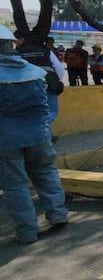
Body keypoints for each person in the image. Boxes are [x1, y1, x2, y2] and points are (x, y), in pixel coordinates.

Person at [0, 25, 69, 244]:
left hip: (7, 139)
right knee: (46, 173)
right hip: (40, 134)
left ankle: (27, 231)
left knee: (15, 184)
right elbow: (49, 103)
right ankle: (58, 213)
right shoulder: (35, 72)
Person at [14, 30, 65, 126]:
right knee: (52, 110)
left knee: (30, 110)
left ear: (22, 39)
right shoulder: (46, 50)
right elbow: (59, 67)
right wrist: (57, 80)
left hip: (27, 84)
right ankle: (42, 130)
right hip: (48, 83)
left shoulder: (18, 52)